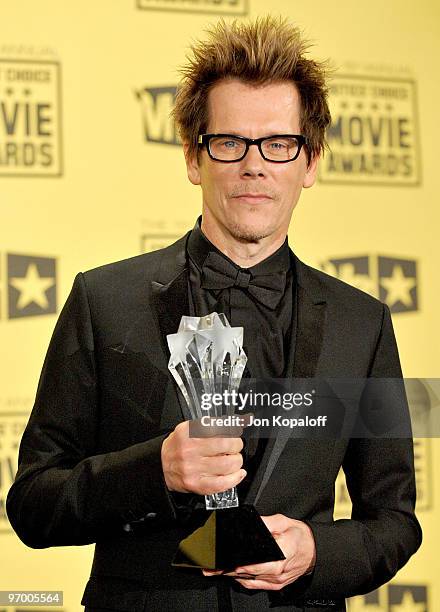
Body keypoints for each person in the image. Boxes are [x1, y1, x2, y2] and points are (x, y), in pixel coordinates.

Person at [7, 16, 421, 612]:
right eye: (229, 142)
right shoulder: (106, 301)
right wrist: (155, 470)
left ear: (310, 163)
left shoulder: (364, 325)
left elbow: (394, 521)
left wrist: (314, 552)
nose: (254, 165)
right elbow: (32, 503)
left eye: (279, 144)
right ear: (193, 158)